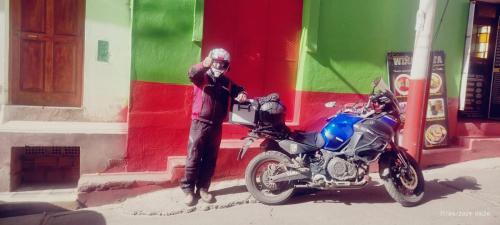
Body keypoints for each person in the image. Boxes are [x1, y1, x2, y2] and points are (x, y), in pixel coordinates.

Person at [180, 48, 247, 206]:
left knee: (210, 159)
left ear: (227, 66)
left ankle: (203, 189)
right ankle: (188, 191)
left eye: (222, 63)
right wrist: (203, 64)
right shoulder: (202, 77)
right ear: (211, 61)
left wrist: (243, 94)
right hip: (199, 123)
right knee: (193, 157)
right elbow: (191, 73)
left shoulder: (227, 83)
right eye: (215, 62)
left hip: (216, 126)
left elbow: (240, 90)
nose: (218, 65)